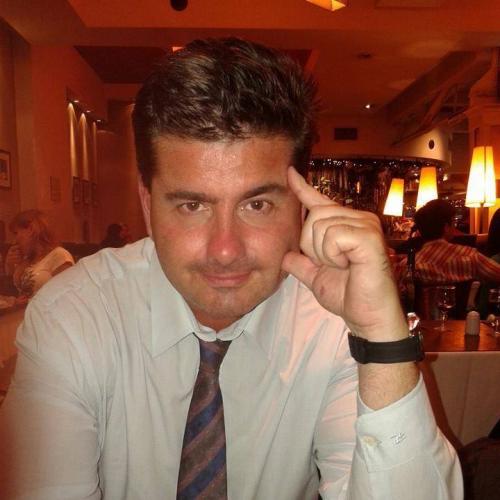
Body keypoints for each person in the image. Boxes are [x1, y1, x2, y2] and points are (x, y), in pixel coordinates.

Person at [0, 38, 462, 499]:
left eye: (256, 205)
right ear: (147, 203)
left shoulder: (334, 320)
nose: (224, 250)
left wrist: (381, 339)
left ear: (301, 204)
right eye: (192, 205)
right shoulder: (73, 317)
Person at [395, 199, 500, 286]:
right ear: (446, 227)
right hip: (461, 306)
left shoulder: (406, 266)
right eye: (453, 222)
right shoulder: (470, 257)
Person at [3, 209, 74, 301]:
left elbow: (67, 296)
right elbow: (16, 293)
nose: (15, 240)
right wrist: (9, 266)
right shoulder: (26, 259)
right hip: (25, 310)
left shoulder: (59, 255)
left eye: (16, 233)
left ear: (30, 229)